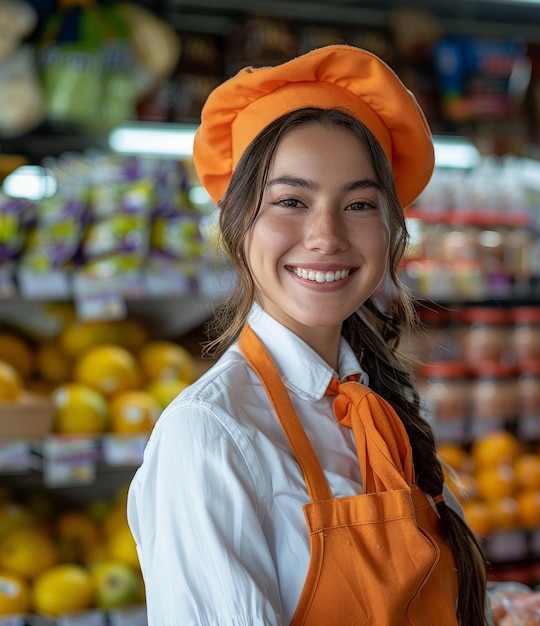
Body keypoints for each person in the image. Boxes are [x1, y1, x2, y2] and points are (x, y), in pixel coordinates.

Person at [127, 44, 490, 625]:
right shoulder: (210, 434)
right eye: (291, 201)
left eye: (359, 204)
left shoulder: (375, 404)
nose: (326, 236)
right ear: (238, 222)